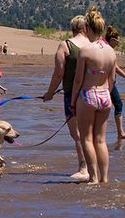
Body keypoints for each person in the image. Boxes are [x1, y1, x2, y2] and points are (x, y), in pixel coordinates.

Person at [70, 8, 117, 184]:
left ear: (87, 27)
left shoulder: (85, 50)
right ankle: (104, 179)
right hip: (105, 95)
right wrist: (108, 95)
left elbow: (78, 80)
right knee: (101, 140)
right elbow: (112, 80)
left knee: (86, 139)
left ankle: (93, 178)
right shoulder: (111, 52)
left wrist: (73, 101)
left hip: (88, 95)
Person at [43, 14, 91, 181]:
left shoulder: (66, 45)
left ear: (72, 29)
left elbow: (58, 74)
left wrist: (49, 93)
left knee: (77, 134)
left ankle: (84, 168)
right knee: (93, 133)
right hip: (95, 93)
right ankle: (97, 170)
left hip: (72, 94)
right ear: (86, 28)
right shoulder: (95, 45)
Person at [104, 27, 125, 140]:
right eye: (117, 41)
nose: (118, 44)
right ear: (112, 40)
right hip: (108, 84)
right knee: (115, 105)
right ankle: (119, 133)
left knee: (116, 105)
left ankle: (119, 132)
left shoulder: (104, 48)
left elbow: (115, 67)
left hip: (108, 83)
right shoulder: (109, 50)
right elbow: (115, 67)